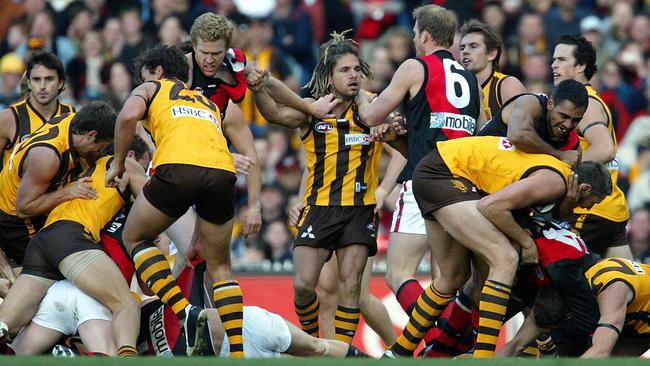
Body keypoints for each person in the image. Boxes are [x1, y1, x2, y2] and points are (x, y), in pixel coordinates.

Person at [385, 136, 611, 358]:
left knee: (453, 277)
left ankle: (398, 353)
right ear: (586, 188)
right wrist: (525, 243)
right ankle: (482, 357)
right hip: (447, 175)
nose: (590, 208)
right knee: (505, 258)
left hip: (437, 172)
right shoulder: (555, 181)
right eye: (595, 201)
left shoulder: (555, 175)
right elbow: (491, 206)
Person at [354, 6, 485, 339]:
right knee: (449, 279)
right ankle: (460, 342)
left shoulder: (415, 66)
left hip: (425, 180)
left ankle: (440, 339)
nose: (413, 38)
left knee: (398, 273)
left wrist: (358, 92)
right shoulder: (471, 79)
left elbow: (371, 116)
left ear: (425, 35)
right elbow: (471, 133)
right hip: (464, 185)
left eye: (414, 33)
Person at [105, 45, 244, 358]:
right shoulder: (207, 101)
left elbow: (127, 116)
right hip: (222, 173)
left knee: (134, 236)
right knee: (220, 268)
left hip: (178, 168)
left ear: (157, 72)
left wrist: (116, 164)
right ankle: (238, 354)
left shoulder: (153, 87)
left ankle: (184, 311)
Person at [248, 31, 382, 344]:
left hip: (359, 208)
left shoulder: (373, 108)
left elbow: (400, 140)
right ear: (328, 76)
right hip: (318, 207)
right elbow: (275, 114)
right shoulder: (313, 109)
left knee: (350, 287)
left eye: (356, 70)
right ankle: (311, 343)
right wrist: (257, 91)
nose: (353, 76)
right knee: (304, 286)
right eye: (344, 70)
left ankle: (344, 352)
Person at [0, 138, 148, 357]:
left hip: (41, 243)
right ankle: (127, 358)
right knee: (126, 304)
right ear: (130, 155)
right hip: (71, 239)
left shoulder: (77, 175)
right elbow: (153, 205)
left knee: (6, 326)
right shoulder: (125, 165)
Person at [0, 102, 114, 282]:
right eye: (100, 146)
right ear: (91, 135)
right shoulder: (47, 158)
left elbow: (90, 156)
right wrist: (68, 192)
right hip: (17, 221)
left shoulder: (71, 120)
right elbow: (23, 208)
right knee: (54, 273)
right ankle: (9, 285)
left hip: (27, 195)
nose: (98, 152)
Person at [552, 34, 631, 259]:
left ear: (581, 66)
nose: (553, 64)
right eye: (553, 59)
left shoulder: (583, 102)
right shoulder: (589, 98)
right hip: (612, 210)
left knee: (553, 278)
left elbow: (605, 148)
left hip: (589, 209)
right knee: (624, 280)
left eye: (561, 59)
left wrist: (562, 169)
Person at [478, 78, 587, 165]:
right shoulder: (530, 103)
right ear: (550, 103)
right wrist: (558, 155)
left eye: (576, 120)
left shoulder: (573, 146)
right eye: (563, 116)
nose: (568, 125)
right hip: (474, 162)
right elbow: (517, 135)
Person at [0, 51, 74, 171]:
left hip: (63, 189)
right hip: (18, 189)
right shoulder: (8, 118)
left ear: (60, 83)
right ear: (29, 82)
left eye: (49, 79)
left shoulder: (72, 116)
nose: (42, 86)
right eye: (36, 79)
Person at [459, 19, 526, 120]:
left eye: (473, 46)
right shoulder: (454, 89)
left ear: (491, 54)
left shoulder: (508, 85)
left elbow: (522, 130)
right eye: (462, 48)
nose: (465, 51)